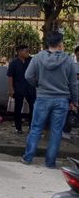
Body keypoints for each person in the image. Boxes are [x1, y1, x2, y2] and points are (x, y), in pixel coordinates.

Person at [21, 32, 78, 168]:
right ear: (60, 43)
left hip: (43, 98)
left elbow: (28, 75)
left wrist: (38, 85)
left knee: (35, 128)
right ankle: (50, 162)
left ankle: (28, 157)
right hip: (62, 100)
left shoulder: (38, 57)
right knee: (56, 131)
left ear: (47, 43)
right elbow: (73, 83)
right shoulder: (68, 59)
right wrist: (75, 100)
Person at [7, 44, 37, 134]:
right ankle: (18, 127)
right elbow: (10, 76)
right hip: (18, 88)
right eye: (26, 51)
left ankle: (31, 126)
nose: (28, 53)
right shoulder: (14, 63)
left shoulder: (31, 61)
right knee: (18, 108)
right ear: (20, 52)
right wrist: (11, 89)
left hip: (30, 87)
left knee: (34, 107)